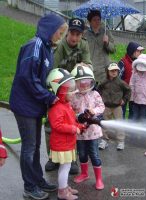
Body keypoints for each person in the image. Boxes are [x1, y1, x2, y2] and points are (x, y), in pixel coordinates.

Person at [9, 13, 68, 200]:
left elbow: (43, 77)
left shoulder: (47, 47)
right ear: (50, 29)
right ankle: (29, 187)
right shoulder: (34, 45)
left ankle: (38, 180)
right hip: (24, 105)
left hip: (34, 105)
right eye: (59, 32)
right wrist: (49, 98)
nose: (60, 36)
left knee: (35, 146)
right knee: (29, 147)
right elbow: (28, 78)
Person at [45, 17, 92, 173]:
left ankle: (72, 159)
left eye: (78, 34)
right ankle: (53, 157)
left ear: (82, 35)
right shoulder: (58, 46)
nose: (75, 37)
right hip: (58, 90)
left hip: (75, 92)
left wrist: (83, 66)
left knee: (73, 124)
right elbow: (52, 71)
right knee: (52, 125)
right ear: (67, 33)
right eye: (72, 33)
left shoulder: (84, 44)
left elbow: (89, 65)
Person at [46, 68, 85, 200]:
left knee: (66, 167)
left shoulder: (66, 105)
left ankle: (65, 186)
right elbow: (57, 125)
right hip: (62, 144)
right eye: (69, 90)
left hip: (67, 143)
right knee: (64, 168)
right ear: (60, 91)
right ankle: (62, 192)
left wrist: (80, 126)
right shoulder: (57, 108)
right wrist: (74, 129)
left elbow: (71, 121)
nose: (73, 93)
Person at [71, 64, 105, 190]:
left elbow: (101, 107)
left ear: (91, 81)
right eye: (80, 82)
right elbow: (69, 111)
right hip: (80, 133)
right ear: (76, 83)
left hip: (93, 133)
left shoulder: (95, 94)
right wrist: (78, 116)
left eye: (87, 82)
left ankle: (99, 179)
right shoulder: (74, 96)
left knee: (94, 155)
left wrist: (94, 111)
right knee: (82, 154)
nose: (84, 85)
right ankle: (84, 174)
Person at [98, 63, 131, 150]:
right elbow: (98, 89)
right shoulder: (104, 82)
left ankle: (120, 141)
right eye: (112, 71)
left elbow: (128, 91)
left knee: (119, 124)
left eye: (116, 70)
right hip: (106, 106)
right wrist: (100, 98)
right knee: (105, 123)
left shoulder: (120, 82)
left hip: (117, 107)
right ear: (107, 71)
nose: (114, 72)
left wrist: (124, 99)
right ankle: (104, 140)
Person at [84, 9, 116, 85]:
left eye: (99, 19)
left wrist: (107, 43)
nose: (97, 22)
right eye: (94, 20)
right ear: (89, 22)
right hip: (90, 71)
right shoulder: (85, 35)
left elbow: (113, 50)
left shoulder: (106, 32)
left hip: (104, 71)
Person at [118, 42, 144, 119]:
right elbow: (118, 77)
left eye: (140, 51)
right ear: (132, 51)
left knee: (133, 112)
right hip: (124, 92)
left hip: (134, 92)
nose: (140, 53)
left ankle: (130, 128)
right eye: (138, 51)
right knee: (122, 110)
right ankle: (121, 128)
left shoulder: (139, 63)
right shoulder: (123, 62)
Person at [130, 53, 146, 121]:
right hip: (136, 101)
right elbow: (131, 85)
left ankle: (141, 131)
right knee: (134, 117)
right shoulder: (134, 74)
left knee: (143, 118)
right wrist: (131, 98)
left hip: (145, 102)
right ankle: (133, 131)